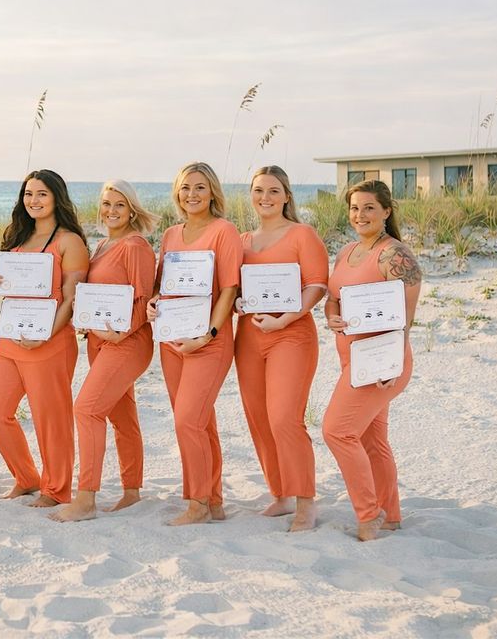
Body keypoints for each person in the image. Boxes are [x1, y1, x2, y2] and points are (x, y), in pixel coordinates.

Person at [51, 180, 157, 523]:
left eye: (120, 205)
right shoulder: (100, 245)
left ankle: (86, 499)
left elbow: (143, 299)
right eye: (107, 204)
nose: (112, 211)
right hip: (98, 341)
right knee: (122, 416)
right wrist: (85, 320)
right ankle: (132, 492)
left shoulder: (136, 246)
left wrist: (120, 332)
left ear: (132, 210)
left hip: (127, 343)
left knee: (86, 410)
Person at [0, 170, 89, 507]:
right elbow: (0, 287)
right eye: (28, 194)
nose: (34, 200)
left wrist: (45, 335)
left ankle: (56, 490)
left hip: (50, 342)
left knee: (51, 420)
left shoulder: (69, 241)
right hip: (11, 339)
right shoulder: (16, 237)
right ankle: (27, 477)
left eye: (42, 194)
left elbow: (71, 299)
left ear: (57, 197)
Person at [322, 178, 422, 541]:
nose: (360, 215)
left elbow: (405, 319)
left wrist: (390, 364)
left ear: (386, 212)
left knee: (336, 430)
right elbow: (333, 299)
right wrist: (332, 316)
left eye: (368, 208)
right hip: (352, 360)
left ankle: (369, 515)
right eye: (354, 208)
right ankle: (390, 515)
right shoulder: (346, 252)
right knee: (371, 440)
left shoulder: (395, 255)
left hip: (381, 363)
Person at [233, 166, 329, 531]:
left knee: (284, 418)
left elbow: (317, 285)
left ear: (287, 196)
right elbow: (233, 289)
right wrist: (238, 302)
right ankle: (281, 494)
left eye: (274, 191)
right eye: (258, 190)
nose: (265, 197)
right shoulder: (242, 240)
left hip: (291, 334)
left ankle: (305, 501)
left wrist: (285, 318)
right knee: (258, 417)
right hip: (249, 336)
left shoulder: (302, 234)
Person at [147, 161, 242, 526]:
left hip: (208, 342)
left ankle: (197, 504)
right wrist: (155, 303)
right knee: (200, 422)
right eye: (186, 187)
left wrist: (208, 334)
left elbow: (229, 289)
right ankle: (213, 500)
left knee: (187, 420)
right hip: (172, 341)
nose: (192, 194)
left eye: (200, 187)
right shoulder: (171, 234)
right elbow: (163, 286)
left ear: (212, 192)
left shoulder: (224, 231)